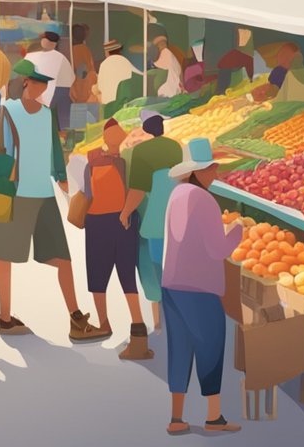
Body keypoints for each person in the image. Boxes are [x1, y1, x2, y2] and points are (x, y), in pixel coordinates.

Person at [0, 59, 98, 340]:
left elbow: (55, 152)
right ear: (24, 83)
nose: (43, 86)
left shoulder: (46, 114)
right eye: (37, 81)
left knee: (63, 259)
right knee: (5, 257)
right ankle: (5, 317)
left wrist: (63, 180)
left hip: (43, 195)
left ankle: (76, 318)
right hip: (13, 194)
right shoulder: (4, 113)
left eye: (44, 82)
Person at [161, 139, 244, 435]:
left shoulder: (176, 194)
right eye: (212, 169)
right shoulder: (206, 200)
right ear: (200, 171)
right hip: (201, 288)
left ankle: (176, 417)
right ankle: (213, 417)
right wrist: (238, 231)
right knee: (210, 348)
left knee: (179, 348)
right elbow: (217, 249)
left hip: (171, 284)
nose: (216, 174)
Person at [82, 119, 150, 359]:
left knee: (97, 275)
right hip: (123, 223)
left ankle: (104, 323)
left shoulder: (91, 162)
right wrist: (125, 213)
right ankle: (138, 328)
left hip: (97, 222)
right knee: (126, 276)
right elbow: (137, 190)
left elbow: (87, 194)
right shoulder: (129, 161)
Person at [125, 110, 183, 334]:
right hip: (175, 214)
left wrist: (124, 213)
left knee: (151, 267)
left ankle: (158, 320)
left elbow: (137, 191)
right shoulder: (175, 147)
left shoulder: (139, 151)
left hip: (152, 214)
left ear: (145, 128)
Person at [24, 31, 74, 128]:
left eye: (44, 39)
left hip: (58, 92)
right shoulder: (58, 57)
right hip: (56, 92)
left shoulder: (58, 58)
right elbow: (71, 78)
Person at [97, 40, 142, 109]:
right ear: (119, 50)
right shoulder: (125, 62)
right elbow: (140, 75)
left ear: (107, 52)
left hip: (108, 105)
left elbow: (100, 87)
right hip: (123, 103)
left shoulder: (104, 64)